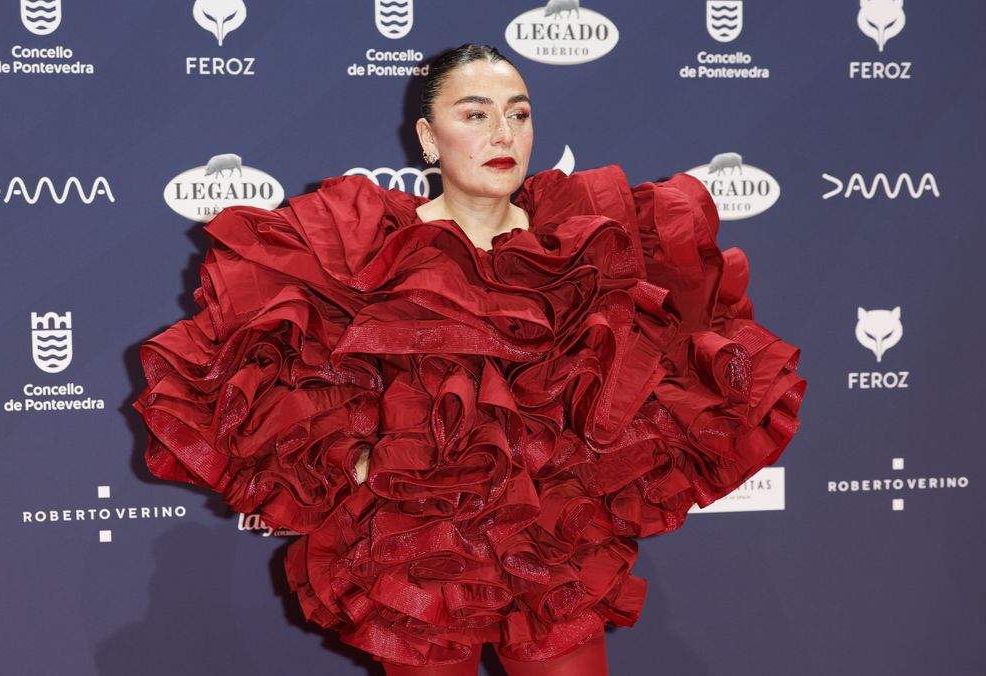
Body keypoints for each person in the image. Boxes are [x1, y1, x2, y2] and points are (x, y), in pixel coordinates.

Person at [133, 44, 807, 675]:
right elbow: (265, 373)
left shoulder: (588, 247)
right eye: (475, 114)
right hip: (418, 547)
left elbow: (671, 359)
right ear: (428, 138)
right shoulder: (361, 251)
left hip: (552, 549)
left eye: (518, 114)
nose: (503, 134)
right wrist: (353, 461)